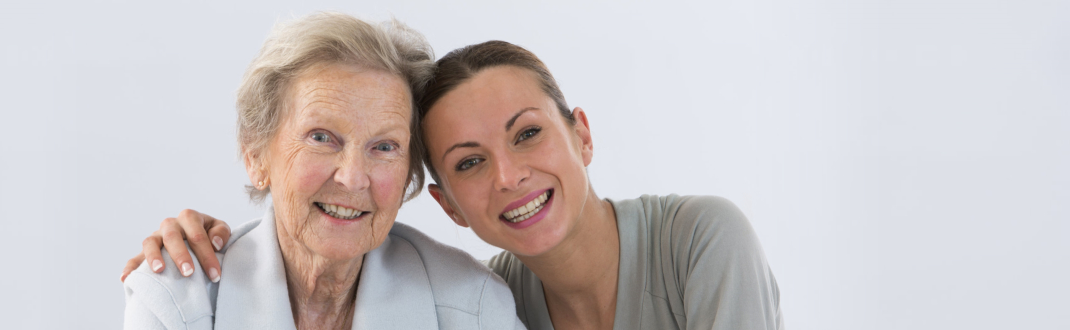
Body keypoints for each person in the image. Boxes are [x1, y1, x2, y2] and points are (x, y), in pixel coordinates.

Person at [127, 40, 782, 330]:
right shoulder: (493, 295)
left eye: (528, 133)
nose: (508, 175)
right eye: (468, 163)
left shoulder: (701, 240)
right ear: (446, 204)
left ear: (583, 133)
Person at [120, 12, 527, 330]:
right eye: (321, 137)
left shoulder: (472, 306)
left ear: (407, 177)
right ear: (256, 154)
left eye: (384, 147)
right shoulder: (175, 299)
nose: (352, 177)